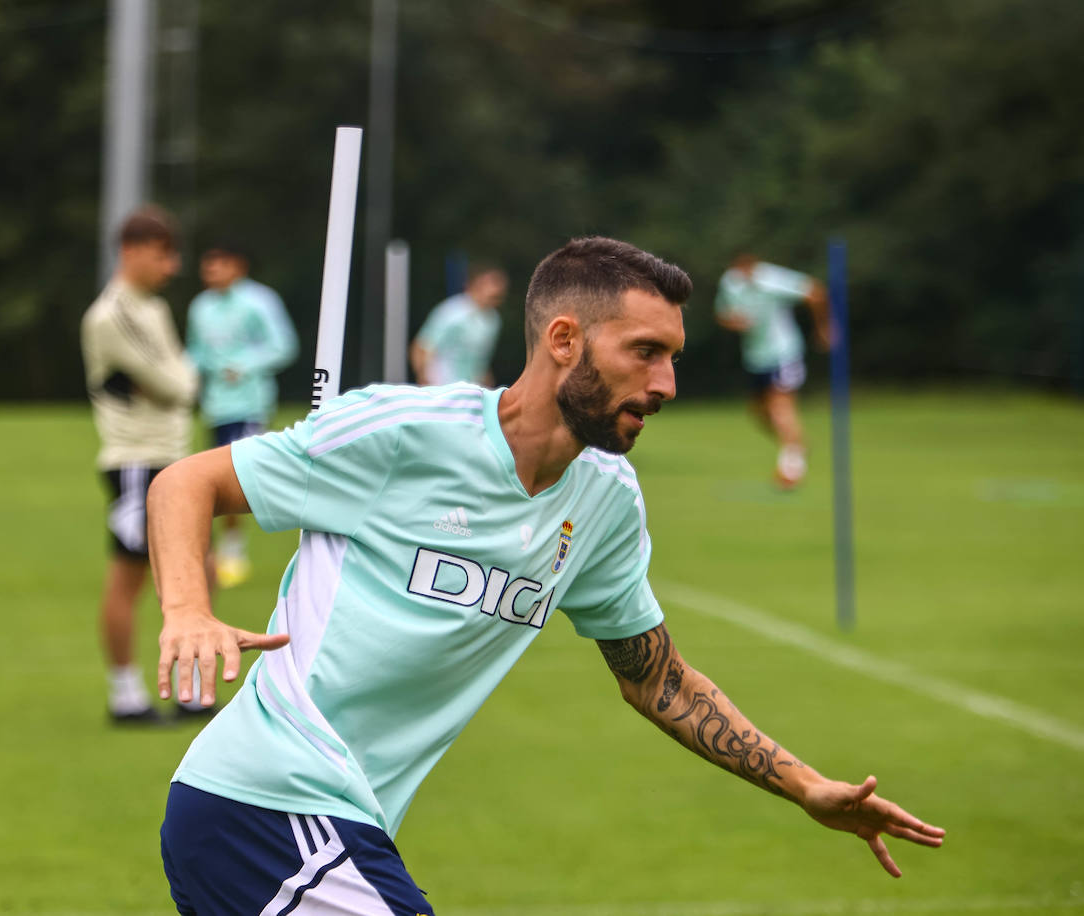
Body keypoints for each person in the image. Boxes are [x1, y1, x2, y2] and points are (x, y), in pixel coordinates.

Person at [146, 237, 944, 913]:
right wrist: (188, 609)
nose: (665, 385)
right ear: (565, 340)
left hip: (344, 820)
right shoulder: (406, 432)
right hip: (264, 805)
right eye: (645, 353)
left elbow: (657, 678)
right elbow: (186, 482)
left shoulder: (605, 498)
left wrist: (805, 786)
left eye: (672, 358)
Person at [81, 205, 200, 725]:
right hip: (135, 460)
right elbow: (178, 384)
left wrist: (180, 383)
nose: (170, 267)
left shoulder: (153, 309)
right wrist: (179, 383)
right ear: (131, 251)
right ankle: (124, 694)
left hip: (175, 457)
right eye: (161, 255)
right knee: (129, 578)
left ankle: (192, 688)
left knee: (201, 571)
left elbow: (183, 379)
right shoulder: (110, 315)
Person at [185, 241, 298, 588]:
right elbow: (196, 352)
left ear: (237, 267)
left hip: (250, 402)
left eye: (218, 266)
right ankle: (223, 550)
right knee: (216, 477)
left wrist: (245, 366)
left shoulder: (259, 301)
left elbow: (283, 345)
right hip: (214, 405)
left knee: (239, 475)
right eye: (207, 267)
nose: (211, 274)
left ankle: (233, 552)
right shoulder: (200, 306)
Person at [715, 253, 832, 488]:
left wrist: (824, 327)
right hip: (756, 358)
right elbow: (722, 315)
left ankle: (791, 467)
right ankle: (796, 445)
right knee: (760, 413)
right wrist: (734, 322)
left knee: (781, 405)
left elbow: (815, 292)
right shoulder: (730, 282)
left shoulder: (773, 279)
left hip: (784, 352)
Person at [409, 265, 508, 387]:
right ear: (476, 285)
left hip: (471, 388)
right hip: (441, 385)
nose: (497, 295)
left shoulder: (493, 320)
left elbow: (480, 360)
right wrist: (423, 377)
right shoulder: (452, 311)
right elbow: (422, 346)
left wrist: (486, 381)